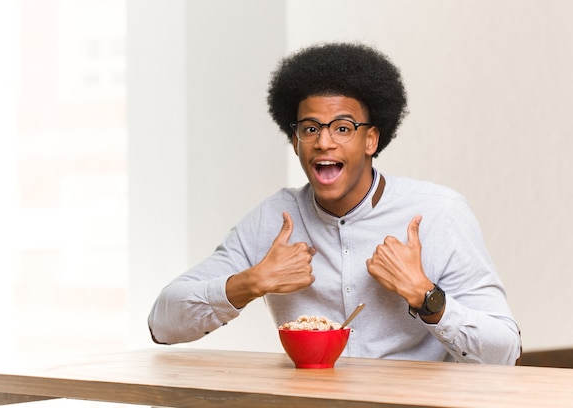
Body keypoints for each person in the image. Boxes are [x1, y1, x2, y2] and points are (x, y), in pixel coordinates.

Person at [148, 42, 522, 364]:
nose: (323, 142)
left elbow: (505, 352)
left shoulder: (439, 213)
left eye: (343, 128)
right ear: (295, 141)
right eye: (310, 128)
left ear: (371, 139)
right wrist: (252, 281)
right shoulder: (273, 220)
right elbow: (162, 324)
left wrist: (425, 296)